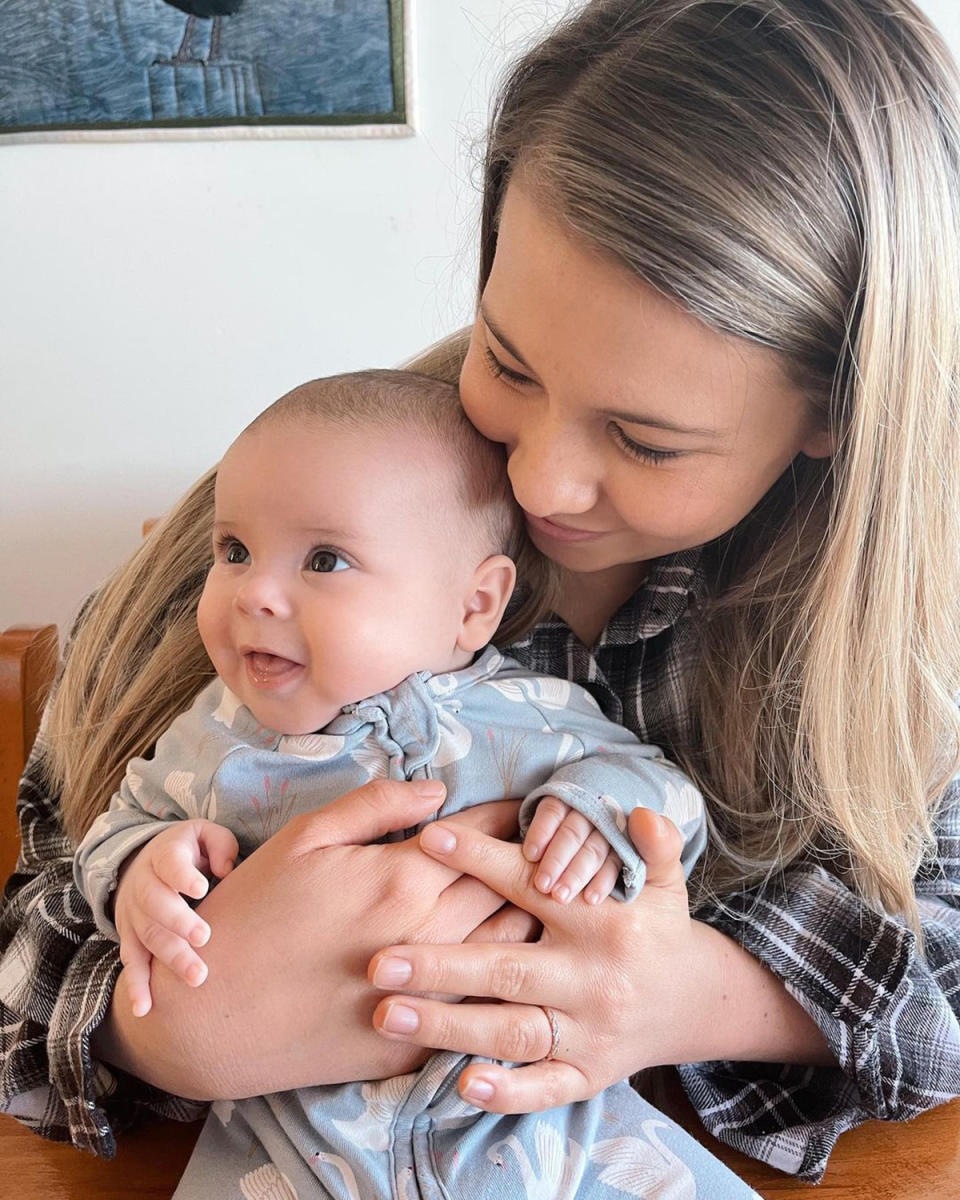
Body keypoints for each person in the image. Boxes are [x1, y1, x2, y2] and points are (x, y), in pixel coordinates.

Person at [2, 0, 959, 1188]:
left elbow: (948, 961)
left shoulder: (911, 648)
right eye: (506, 359)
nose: (539, 475)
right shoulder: (302, 512)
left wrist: (685, 1000)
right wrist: (170, 1029)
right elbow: (40, 904)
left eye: (647, 441)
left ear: (835, 410)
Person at [71, 369, 753, 1198]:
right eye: (234, 550)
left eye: (324, 559)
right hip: (291, 1147)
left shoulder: (532, 714)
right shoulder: (213, 739)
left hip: (540, 1134)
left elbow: (664, 795)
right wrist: (144, 871)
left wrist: (595, 808)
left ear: (474, 604)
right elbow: (118, 828)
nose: (255, 593)